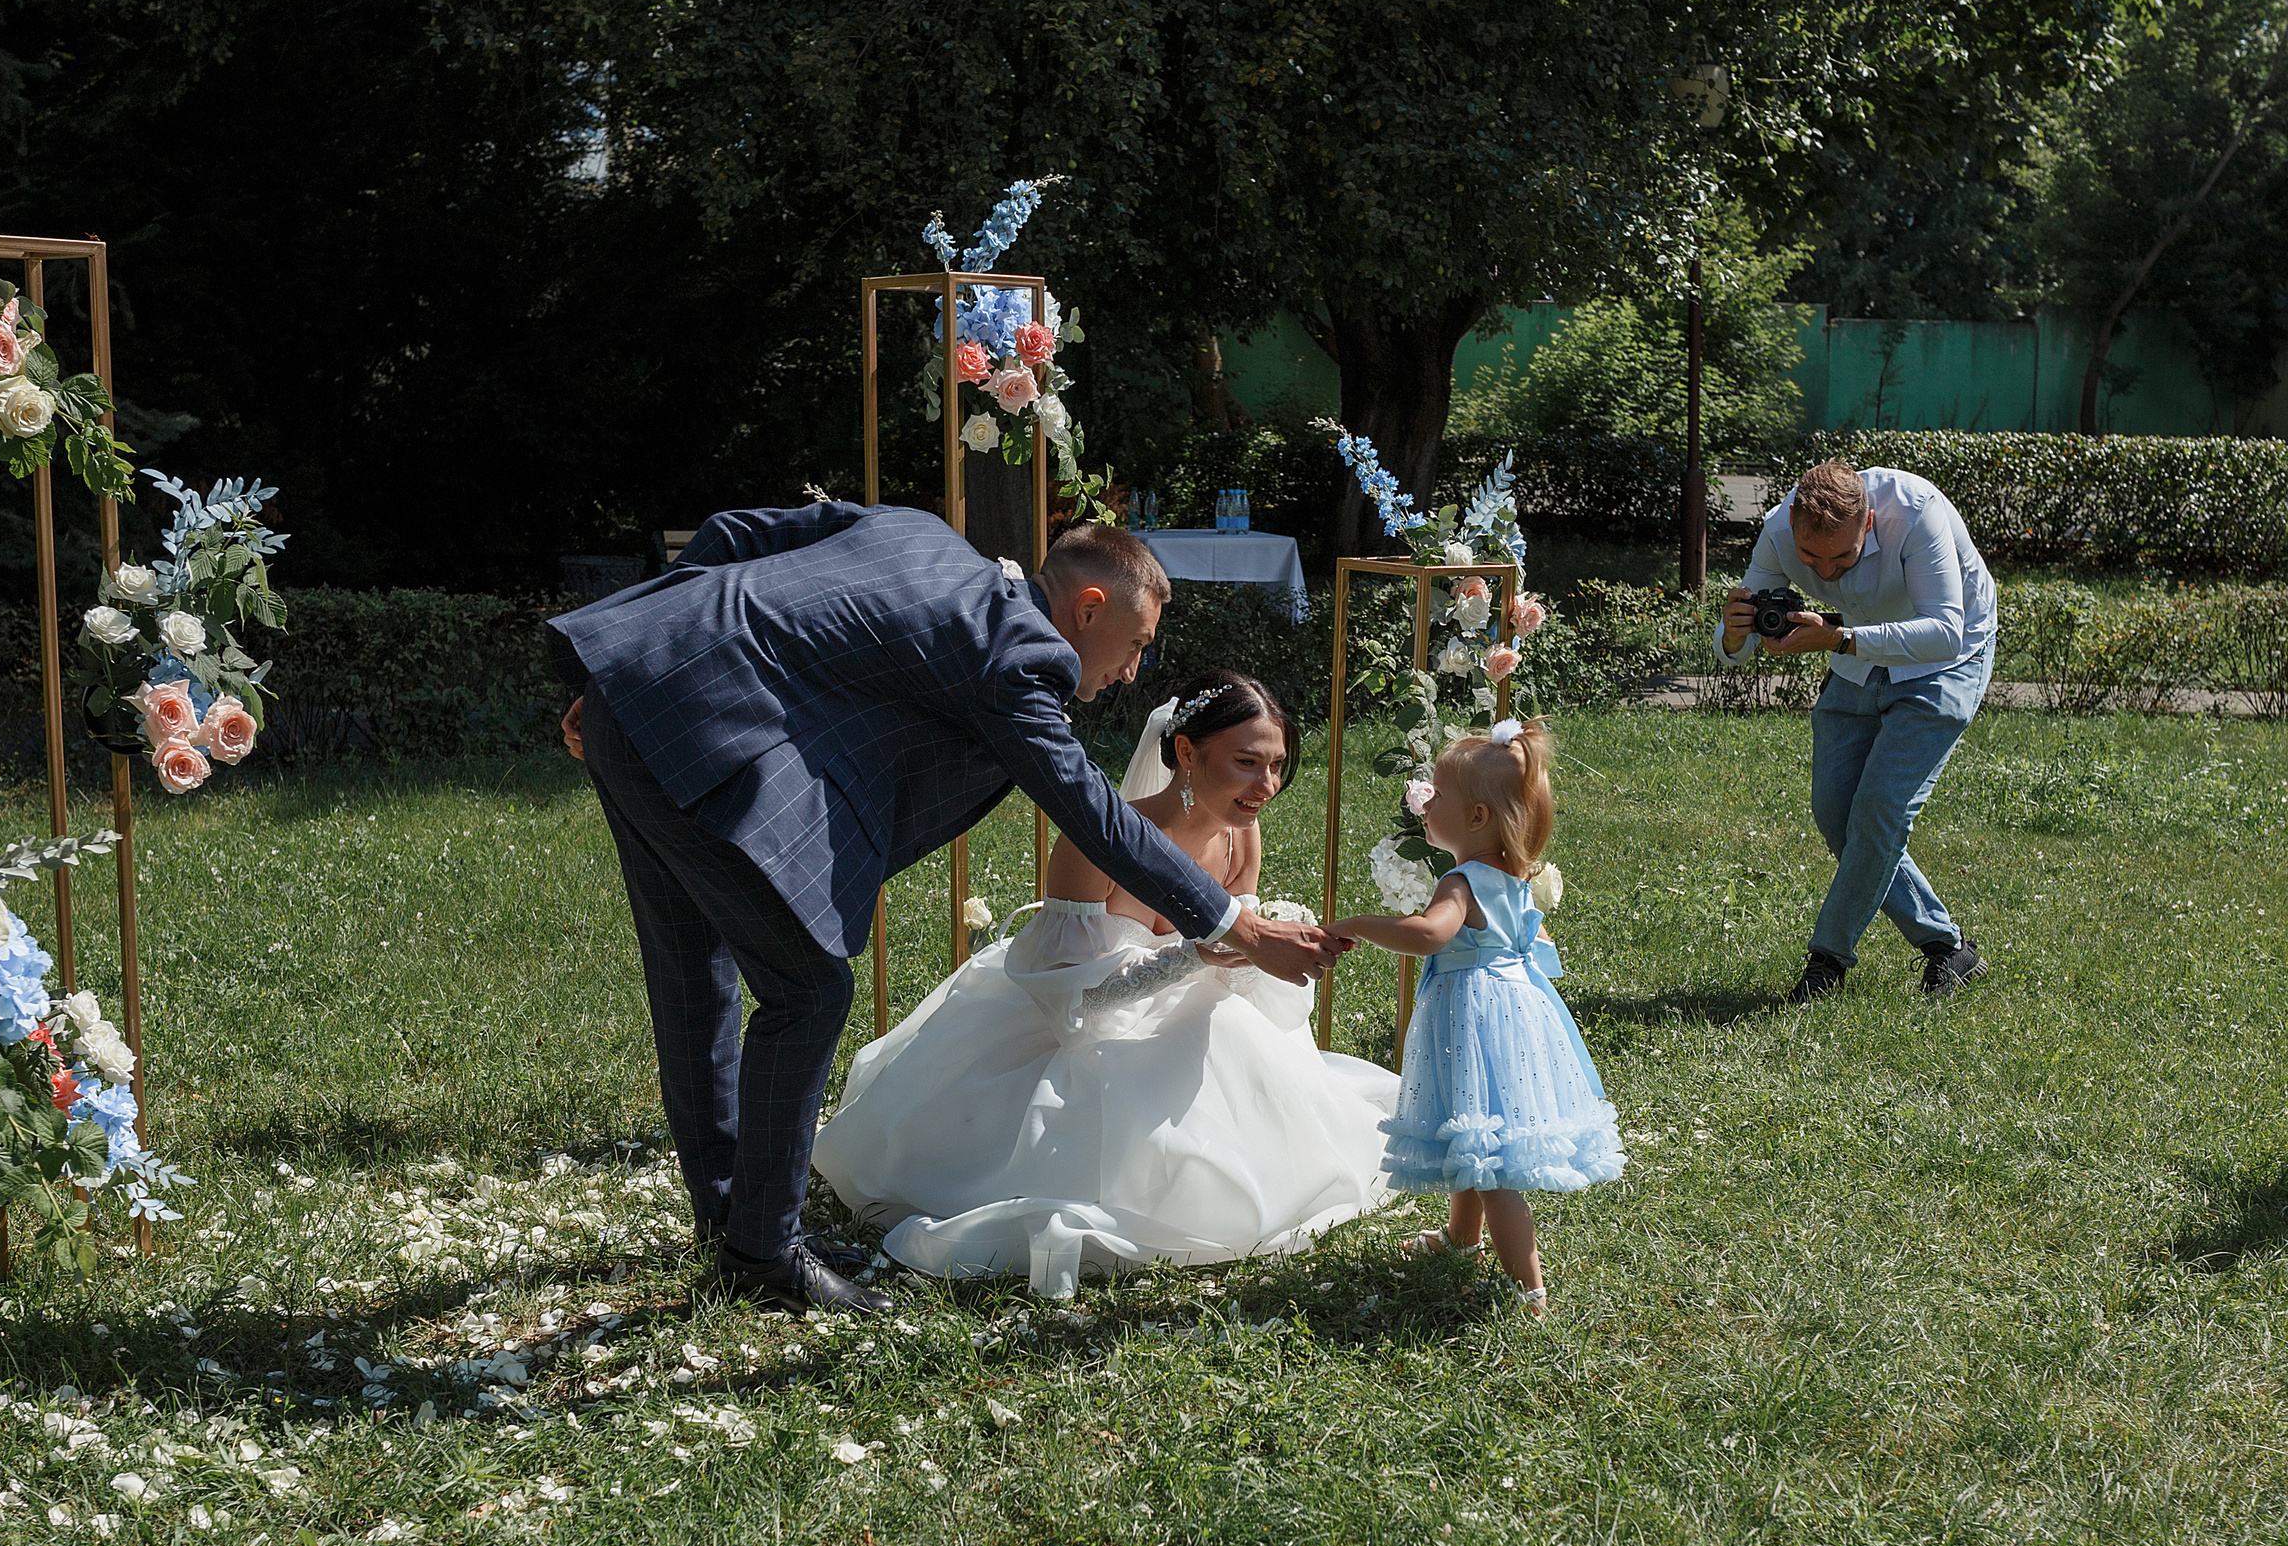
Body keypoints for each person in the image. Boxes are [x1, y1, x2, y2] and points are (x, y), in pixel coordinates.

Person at [549, 508, 1350, 1315]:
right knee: (809, 989)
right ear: (1089, 607)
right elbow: (1091, 811)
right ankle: (762, 1250)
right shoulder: (1017, 655)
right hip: (696, 730)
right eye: (1138, 644)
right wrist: (1238, 926)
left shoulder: (922, 535)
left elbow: (734, 531)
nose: (1136, 672)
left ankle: (736, 1219)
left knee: (696, 966)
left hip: (637, 699)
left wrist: (629, 664)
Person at [812, 671, 1401, 1297]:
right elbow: (1074, 1007)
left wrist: (1257, 950)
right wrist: (1195, 957)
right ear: (1185, 753)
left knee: (1237, 1054)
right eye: (1247, 762)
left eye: (1277, 765)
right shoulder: (1097, 843)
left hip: (1190, 1016)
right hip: (1065, 1027)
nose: (1268, 786)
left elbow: (1232, 947)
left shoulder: (1238, 834)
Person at [1327, 720, 1622, 1318]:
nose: (1425, 804)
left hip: (1476, 1015)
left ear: (1478, 818)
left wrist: (1356, 925)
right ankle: (1462, 1238)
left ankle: (1529, 1288)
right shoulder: (1512, 875)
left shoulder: (1461, 880)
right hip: (1512, 1008)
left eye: (1437, 796)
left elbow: (1431, 936)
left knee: (1492, 1165)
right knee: (1474, 1130)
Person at [1721, 459, 1998, 1003]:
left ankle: (1826, 962)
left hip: (1947, 658)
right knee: (1834, 810)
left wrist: (1838, 638)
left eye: (1842, 557)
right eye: (1810, 559)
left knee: (1878, 809)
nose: (1826, 573)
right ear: (1793, 524)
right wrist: (1734, 635)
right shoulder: (1780, 531)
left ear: (1868, 522)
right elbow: (1735, 646)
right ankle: (1948, 948)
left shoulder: (1916, 513)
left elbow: (1945, 630)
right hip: (1856, 657)